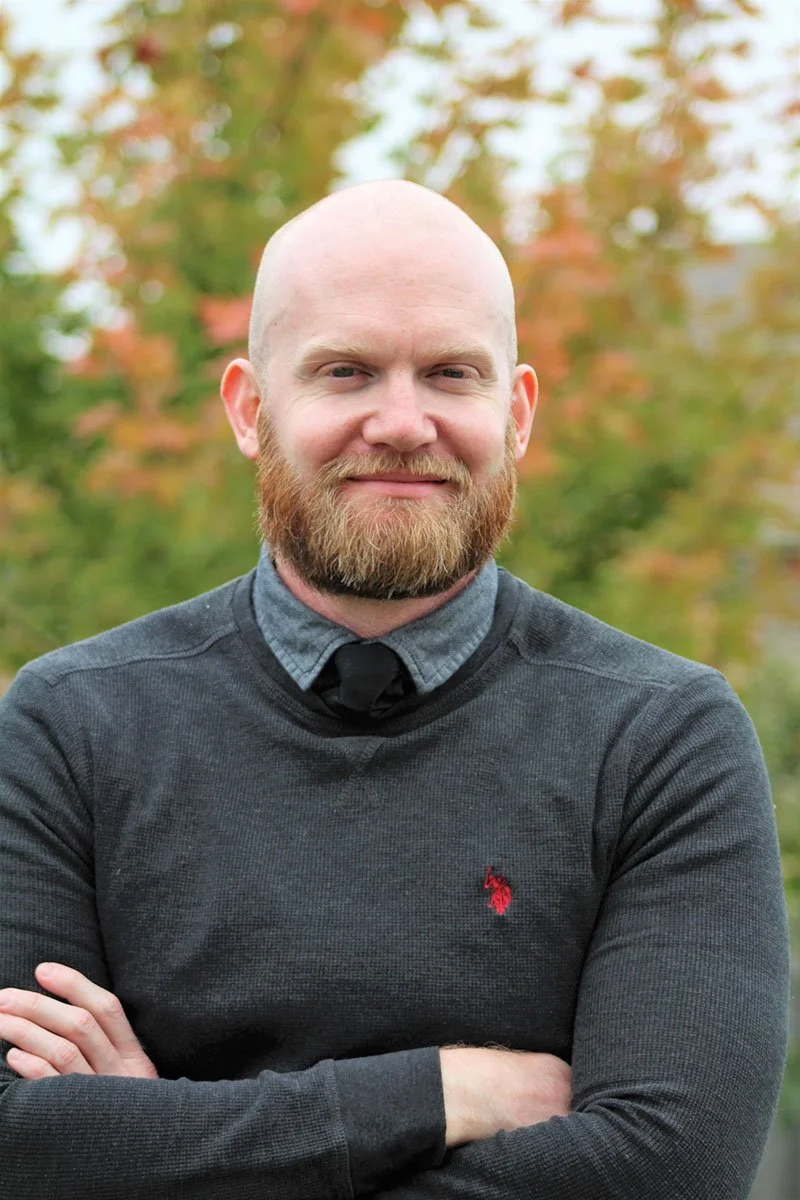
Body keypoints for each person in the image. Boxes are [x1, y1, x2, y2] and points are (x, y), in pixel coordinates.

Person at [0, 179, 789, 1199]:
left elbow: (671, 1169)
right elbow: (17, 1144)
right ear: (249, 408)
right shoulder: (72, 725)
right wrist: (437, 1094)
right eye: (345, 371)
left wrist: (155, 1145)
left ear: (515, 413)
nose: (403, 422)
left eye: (450, 373)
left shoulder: (658, 737)